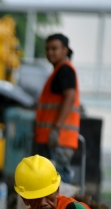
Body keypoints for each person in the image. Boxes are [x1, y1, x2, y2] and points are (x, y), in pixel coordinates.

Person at [34, 33, 80, 184]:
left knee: (58, 181)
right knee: (51, 181)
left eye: (54, 48)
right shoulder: (58, 71)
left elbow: (70, 96)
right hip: (54, 139)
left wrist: (56, 128)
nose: (50, 52)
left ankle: (62, 208)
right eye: (47, 49)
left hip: (58, 139)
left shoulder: (64, 70)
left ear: (65, 50)